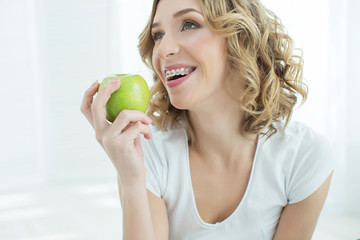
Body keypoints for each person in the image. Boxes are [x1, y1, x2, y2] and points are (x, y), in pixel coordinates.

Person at [80, 0, 334, 239]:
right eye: (158, 35)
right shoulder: (148, 151)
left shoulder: (304, 156)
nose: (163, 50)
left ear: (241, 37)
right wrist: (131, 180)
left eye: (189, 24)